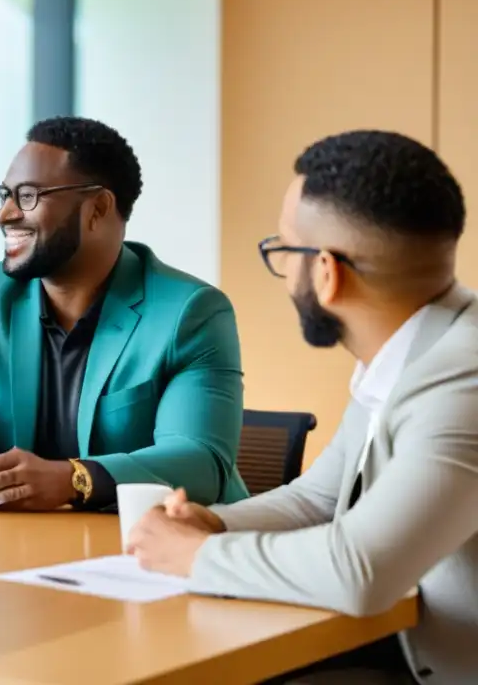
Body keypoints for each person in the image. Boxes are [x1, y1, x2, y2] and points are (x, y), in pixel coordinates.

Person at [126, 129, 478, 684]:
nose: (283, 273)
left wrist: (195, 557)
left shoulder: (463, 383)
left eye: (283, 251)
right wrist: (214, 523)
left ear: (326, 272)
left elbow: (362, 572)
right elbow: (321, 497)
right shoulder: (417, 350)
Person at [0, 116, 247, 512]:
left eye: (28, 195)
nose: (5, 214)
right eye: (4, 195)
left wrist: (74, 479)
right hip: (21, 547)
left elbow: (200, 461)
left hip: (159, 544)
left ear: (97, 208)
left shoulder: (191, 313)